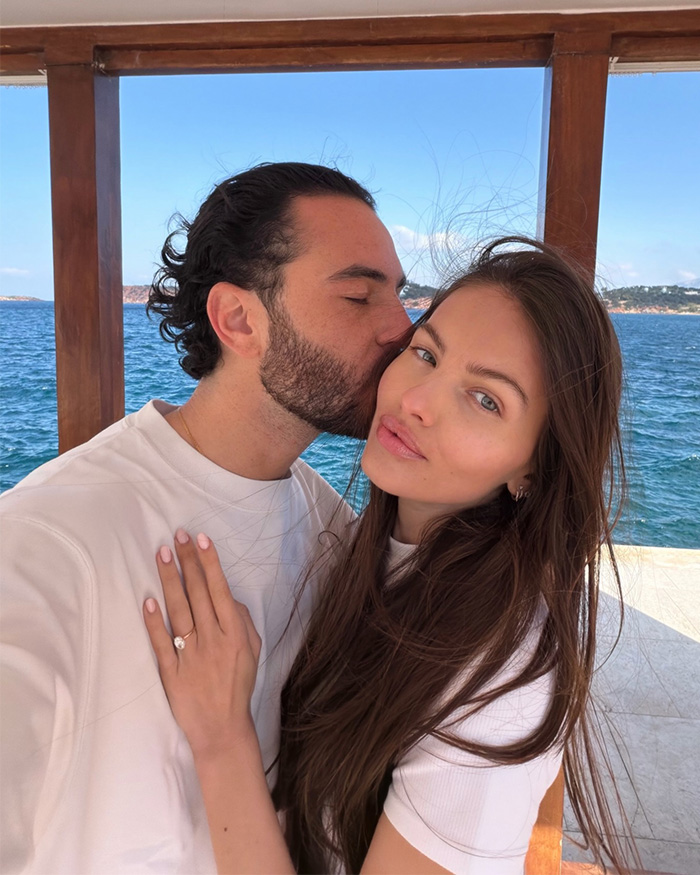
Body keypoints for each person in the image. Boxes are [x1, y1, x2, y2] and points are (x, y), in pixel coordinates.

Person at [144, 237, 635, 874]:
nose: (415, 401)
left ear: (533, 470)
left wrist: (219, 737)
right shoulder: (363, 550)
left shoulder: (499, 682)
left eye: (486, 399)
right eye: (425, 353)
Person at [0, 162, 410, 873]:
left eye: (399, 298)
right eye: (357, 296)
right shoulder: (44, 545)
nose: (402, 330)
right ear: (239, 319)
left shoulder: (331, 527)